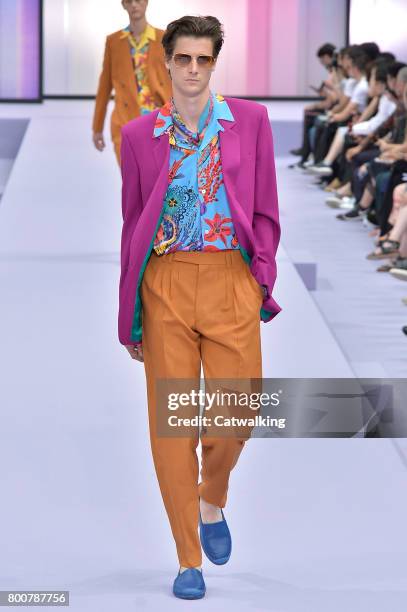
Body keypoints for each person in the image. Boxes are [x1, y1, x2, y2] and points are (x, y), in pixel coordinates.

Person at [118, 14, 281, 600]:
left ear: (215, 62)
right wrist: (128, 312)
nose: (191, 70)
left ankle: (212, 499)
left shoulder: (252, 122)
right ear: (167, 61)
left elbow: (264, 207)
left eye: (202, 60)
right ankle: (188, 557)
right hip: (164, 283)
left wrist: (260, 276)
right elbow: (132, 225)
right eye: (182, 59)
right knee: (172, 427)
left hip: (230, 277)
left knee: (239, 408)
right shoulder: (140, 134)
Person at [92, 0, 171, 165]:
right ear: (123, 5)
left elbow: (176, 80)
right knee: (132, 184)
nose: (134, 5)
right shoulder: (113, 41)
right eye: (129, 1)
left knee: (158, 183)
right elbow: (104, 86)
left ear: (146, 2)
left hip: (160, 122)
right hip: (125, 122)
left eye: (139, 0)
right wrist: (97, 127)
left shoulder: (164, 38)